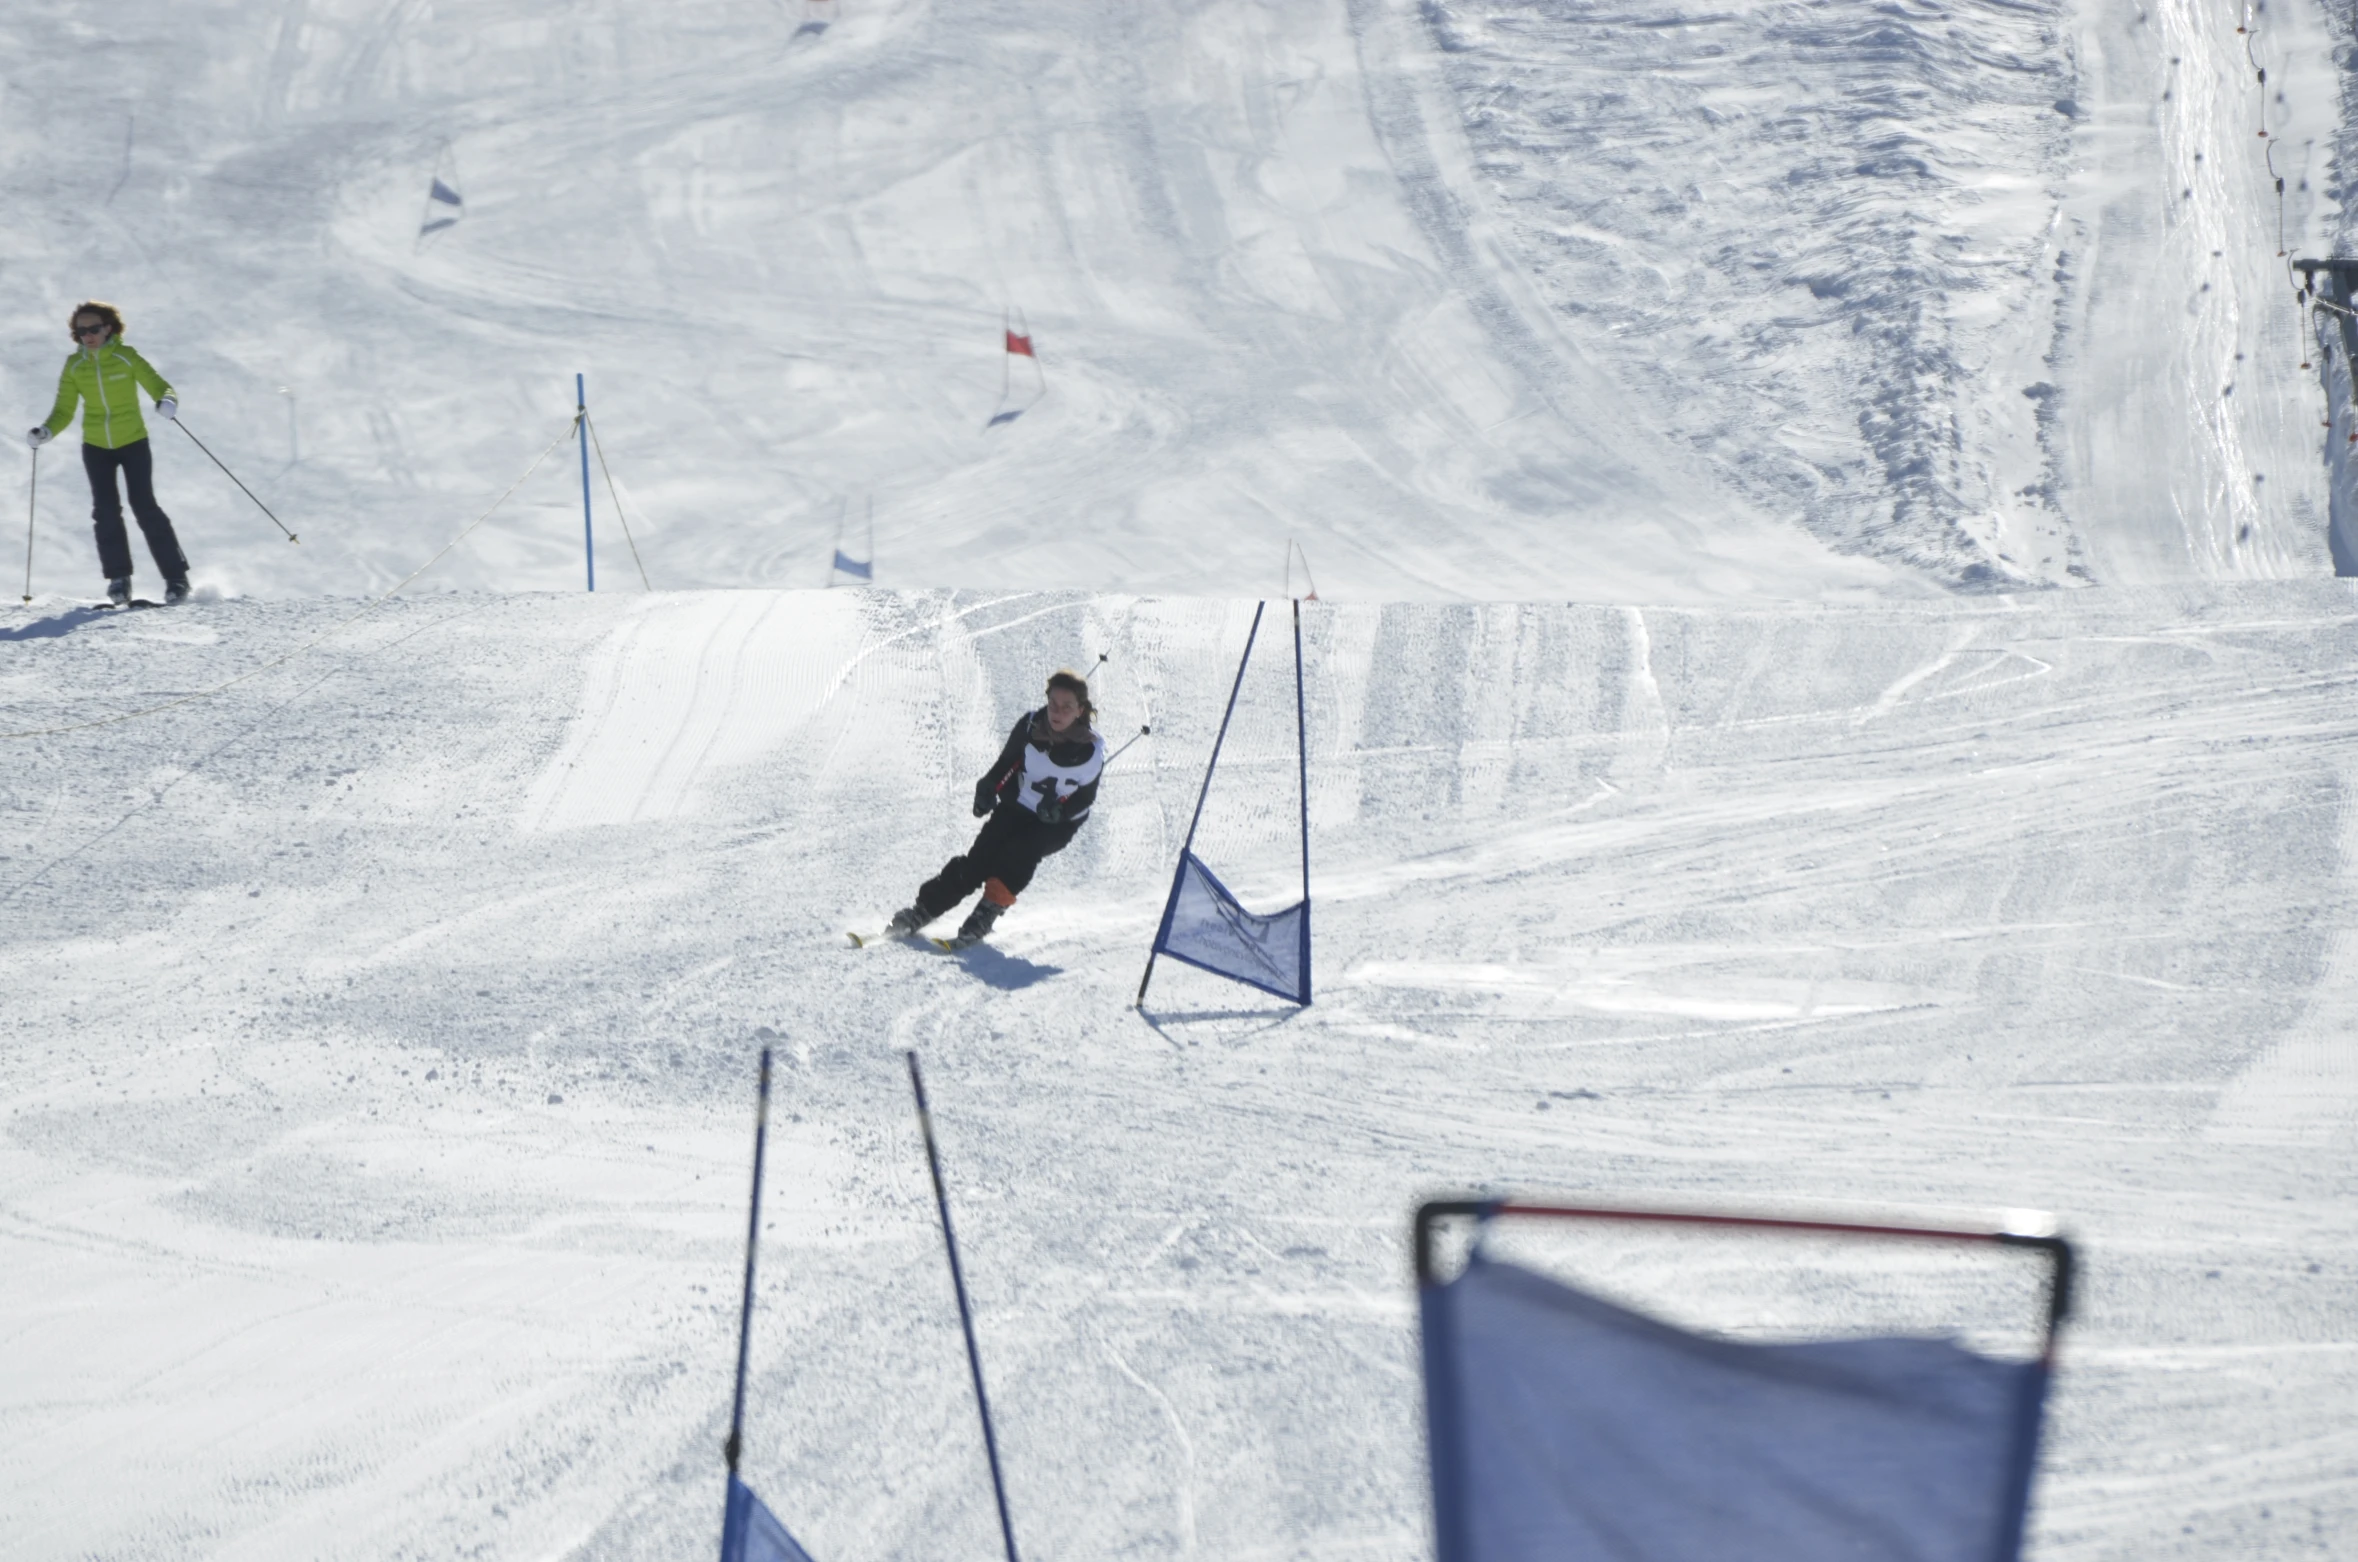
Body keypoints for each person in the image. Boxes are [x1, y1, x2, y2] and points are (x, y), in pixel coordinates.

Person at [890, 669, 1107, 948]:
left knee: (1020, 852)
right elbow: (1005, 763)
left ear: (1080, 710)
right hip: (1017, 806)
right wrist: (988, 788)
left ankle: (985, 914)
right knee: (977, 861)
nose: (1057, 711)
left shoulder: (1091, 751)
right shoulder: (1030, 726)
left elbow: (1085, 799)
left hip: (1057, 823)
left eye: (1067, 707)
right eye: (1053, 703)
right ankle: (923, 910)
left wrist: (1061, 813)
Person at [25, 301, 190, 606]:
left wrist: (167, 402)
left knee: (144, 506)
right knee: (105, 511)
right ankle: (119, 580)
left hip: (133, 442)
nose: (87, 335)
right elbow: (64, 409)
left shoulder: (126, 357)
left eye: (93, 329)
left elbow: (159, 386)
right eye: (81, 330)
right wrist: (45, 431)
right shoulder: (74, 366)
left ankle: (176, 579)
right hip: (96, 446)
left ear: (108, 329)